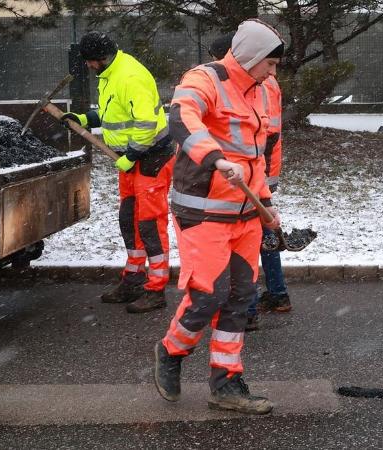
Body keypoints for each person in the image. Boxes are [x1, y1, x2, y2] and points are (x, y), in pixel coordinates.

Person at [153, 19, 284, 415]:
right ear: (251, 56)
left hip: (244, 214)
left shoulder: (261, 92)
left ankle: (226, 382)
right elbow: (182, 118)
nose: (273, 73)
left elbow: (255, 154)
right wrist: (214, 157)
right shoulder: (205, 78)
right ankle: (171, 351)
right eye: (270, 64)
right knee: (209, 294)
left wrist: (265, 200)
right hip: (202, 210)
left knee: (241, 298)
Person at [63, 32, 174, 314]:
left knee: (150, 224)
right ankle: (134, 280)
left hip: (151, 160)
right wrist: (84, 119)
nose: (88, 66)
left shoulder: (130, 77)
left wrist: (134, 155)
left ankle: (156, 288)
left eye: (89, 61)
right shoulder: (110, 75)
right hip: (130, 161)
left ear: (101, 58)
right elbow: (114, 114)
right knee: (129, 220)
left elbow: (147, 122)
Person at [207, 32, 291, 332]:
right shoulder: (267, 79)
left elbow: (258, 135)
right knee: (264, 236)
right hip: (263, 169)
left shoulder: (253, 83)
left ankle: (250, 309)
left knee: (248, 243)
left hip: (253, 173)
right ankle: (277, 294)